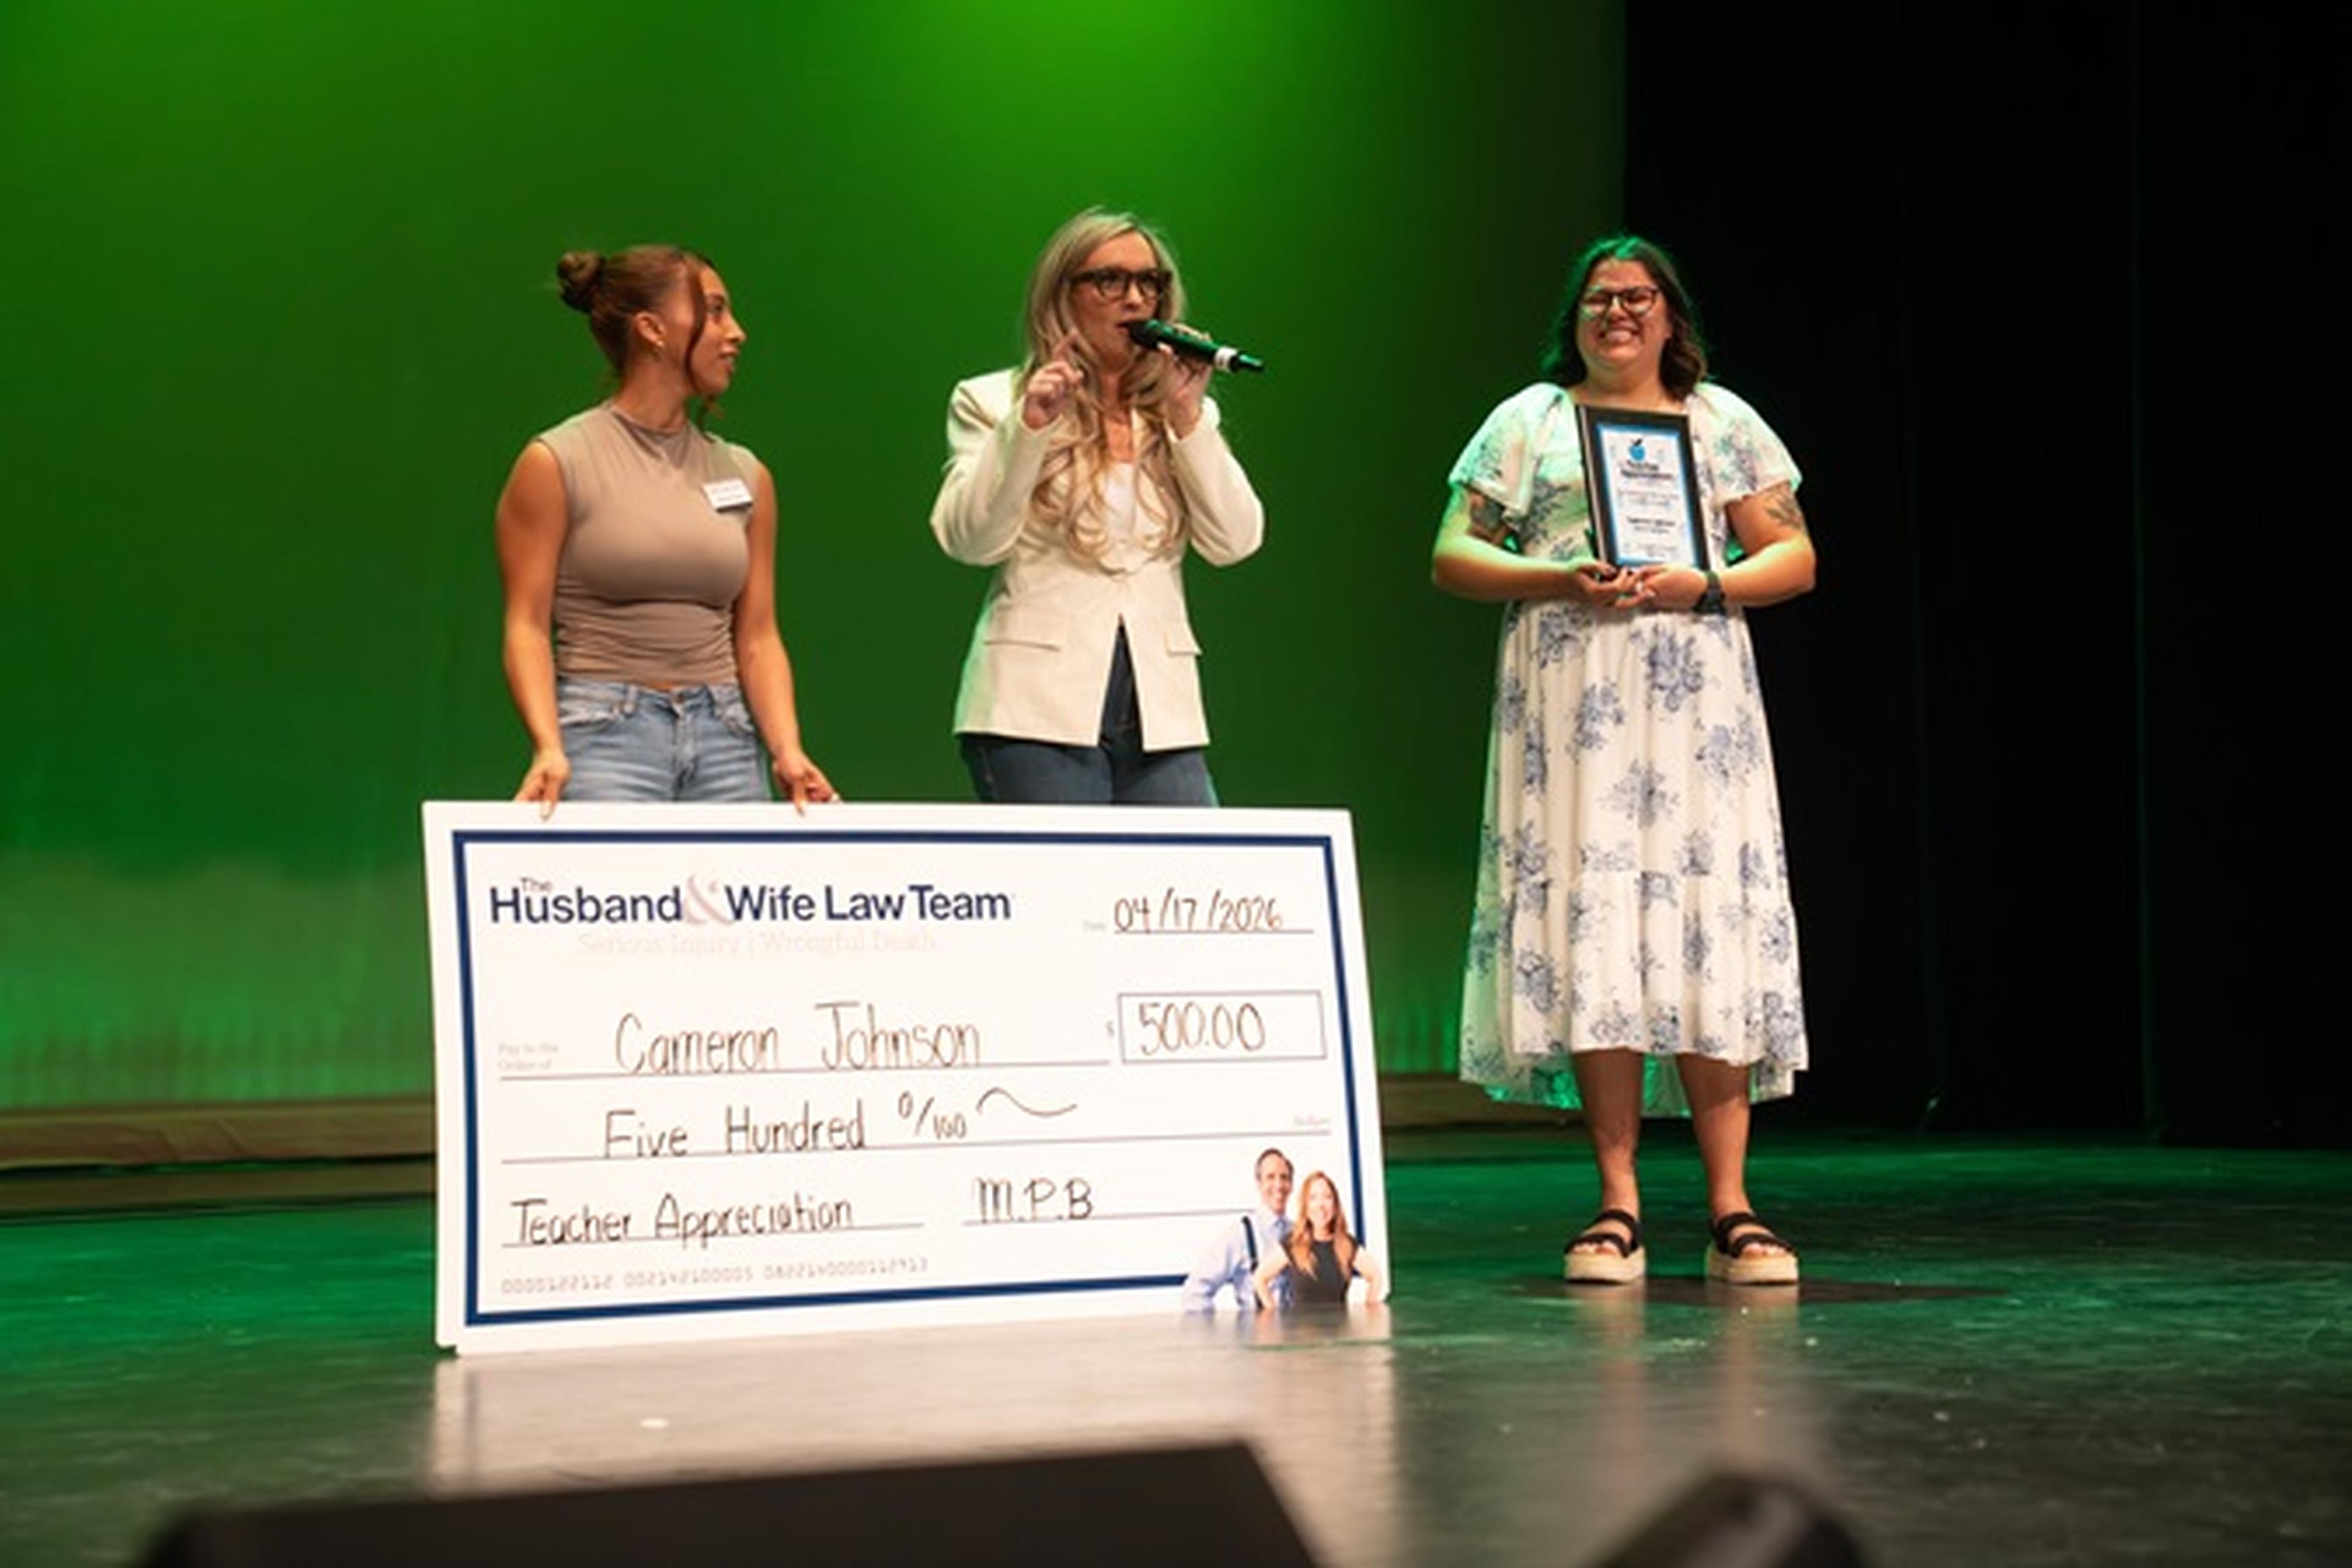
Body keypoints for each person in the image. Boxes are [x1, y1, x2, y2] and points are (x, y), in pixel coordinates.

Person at [1431, 235, 1817, 1286]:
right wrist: (1557, 578)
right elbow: (1453, 554)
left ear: (1669, 316)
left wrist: (1705, 582)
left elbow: (1793, 556)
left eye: (1637, 298)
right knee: (1597, 927)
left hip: (1696, 706)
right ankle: (1618, 1203)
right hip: (1575, 707)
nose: (1618, 315)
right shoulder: (1531, 422)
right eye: (1600, 299)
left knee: (1707, 927)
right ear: (1577, 317)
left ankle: (1733, 1206)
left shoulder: (1720, 420)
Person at [929, 208, 1264, 805]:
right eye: (1110, 281)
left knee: (1187, 888)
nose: (1134, 300)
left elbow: (1237, 541)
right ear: (1063, 296)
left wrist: (1189, 417)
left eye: (1149, 283)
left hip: (1162, 711)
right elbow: (970, 540)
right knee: (1064, 897)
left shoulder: (1180, 415)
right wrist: (1029, 427)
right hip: (1033, 711)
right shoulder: (991, 402)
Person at [496, 245, 834, 811]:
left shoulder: (746, 474)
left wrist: (787, 748)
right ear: (652, 329)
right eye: (717, 311)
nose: (737, 333)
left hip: (725, 734)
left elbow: (758, 634)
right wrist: (548, 745)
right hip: (606, 734)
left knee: (732, 900)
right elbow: (526, 626)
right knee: (621, 900)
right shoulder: (557, 461)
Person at [1179, 1148, 1293, 1311]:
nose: (1279, 1185)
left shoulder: (1298, 1232)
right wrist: (1212, 1334)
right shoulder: (1240, 1234)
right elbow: (1194, 1294)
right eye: (1270, 1177)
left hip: (1295, 1335)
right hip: (1255, 1334)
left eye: (1284, 1178)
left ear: (1291, 1185)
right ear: (1259, 1184)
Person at [1254, 1170, 1382, 1308]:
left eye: (1327, 1197)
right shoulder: (1293, 1243)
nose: (1321, 1205)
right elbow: (1260, 1278)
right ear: (1305, 1206)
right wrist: (1272, 1314)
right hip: (1301, 1329)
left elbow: (1376, 1277)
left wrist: (1371, 1311)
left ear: (1335, 1205)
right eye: (1313, 1198)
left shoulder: (1346, 1245)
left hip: (1339, 1329)